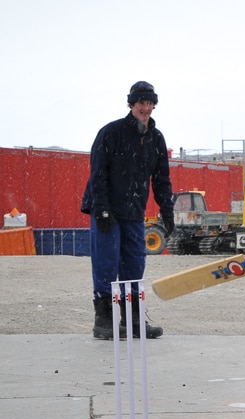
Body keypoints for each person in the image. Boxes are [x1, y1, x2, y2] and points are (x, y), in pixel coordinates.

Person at [80, 81, 174, 339]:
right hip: (106, 210)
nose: (146, 108)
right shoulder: (111, 133)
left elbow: (162, 179)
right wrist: (101, 208)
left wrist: (168, 211)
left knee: (134, 263)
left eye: (150, 103)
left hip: (133, 210)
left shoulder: (156, 139)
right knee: (106, 263)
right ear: (131, 104)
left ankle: (133, 321)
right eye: (141, 103)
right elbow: (97, 172)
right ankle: (105, 320)